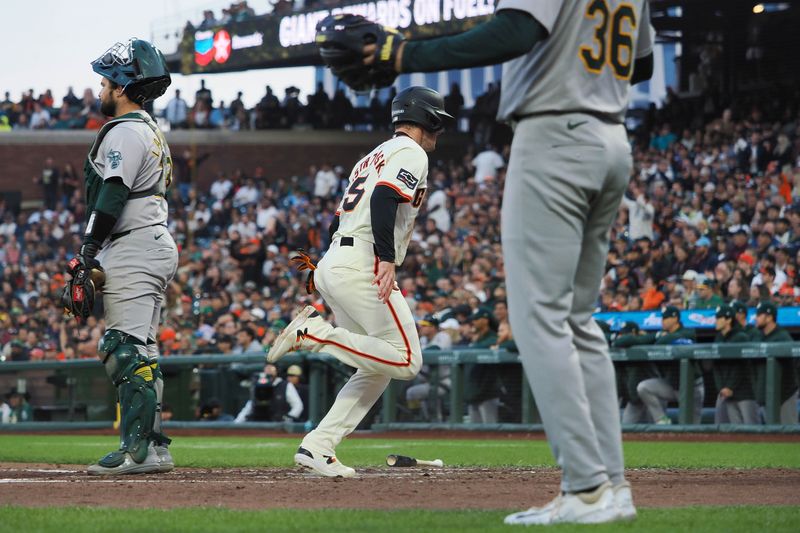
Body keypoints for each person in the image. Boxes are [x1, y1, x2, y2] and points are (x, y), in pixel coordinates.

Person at [330, 3, 655, 518]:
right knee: (578, 321)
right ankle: (611, 487)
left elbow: (515, 30)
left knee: (541, 320)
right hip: (613, 139)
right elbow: (642, 66)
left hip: (556, 135)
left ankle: (586, 487)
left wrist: (401, 53)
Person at [267, 86, 449, 477]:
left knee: (375, 368)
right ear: (425, 118)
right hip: (362, 259)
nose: (441, 130)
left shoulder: (371, 156)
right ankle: (315, 335)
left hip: (339, 257)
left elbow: (336, 221)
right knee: (405, 359)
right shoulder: (410, 151)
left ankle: (318, 445)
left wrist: (332, 265)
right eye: (438, 121)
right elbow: (384, 198)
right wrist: (384, 258)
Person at [76, 38, 177, 475]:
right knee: (144, 352)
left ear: (121, 86)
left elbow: (113, 191)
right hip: (149, 240)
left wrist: (88, 248)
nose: (100, 90)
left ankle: (136, 451)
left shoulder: (126, 130)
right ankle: (153, 447)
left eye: (104, 82)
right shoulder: (152, 130)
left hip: (134, 244)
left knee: (121, 347)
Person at [635, 306, 702, 425]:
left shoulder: (688, 332)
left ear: (675, 318)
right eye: (662, 318)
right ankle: (661, 420)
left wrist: (660, 337)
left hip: (692, 388)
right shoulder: (662, 334)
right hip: (672, 385)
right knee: (644, 387)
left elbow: (669, 339)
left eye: (666, 318)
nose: (663, 321)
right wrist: (657, 336)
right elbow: (641, 341)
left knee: (691, 428)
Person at [750, 302, 798, 424]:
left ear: (770, 317)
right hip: (766, 396)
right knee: (771, 437)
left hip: (785, 395)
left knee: (788, 433)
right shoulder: (758, 336)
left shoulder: (783, 336)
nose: (756, 318)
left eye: (759, 315)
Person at [712, 304, 758, 424]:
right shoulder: (719, 338)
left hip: (744, 391)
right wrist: (721, 387)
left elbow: (741, 366)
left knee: (752, 430)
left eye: (718, 318)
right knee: (736, 433)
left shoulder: (741, 337)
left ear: (728, 319)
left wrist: (730, 387)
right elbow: (715, 366)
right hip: (726, 392)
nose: (715, 321)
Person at [234, 364, 304, 422]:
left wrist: (288, 419)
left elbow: (298, 405)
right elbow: (250, 405)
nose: (269, 371)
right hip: (259, 423)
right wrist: (237, 422)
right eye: (267, 369)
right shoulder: (258, 384)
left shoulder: (285, 385)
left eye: (271, 369)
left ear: (276, 371)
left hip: (278, 424)